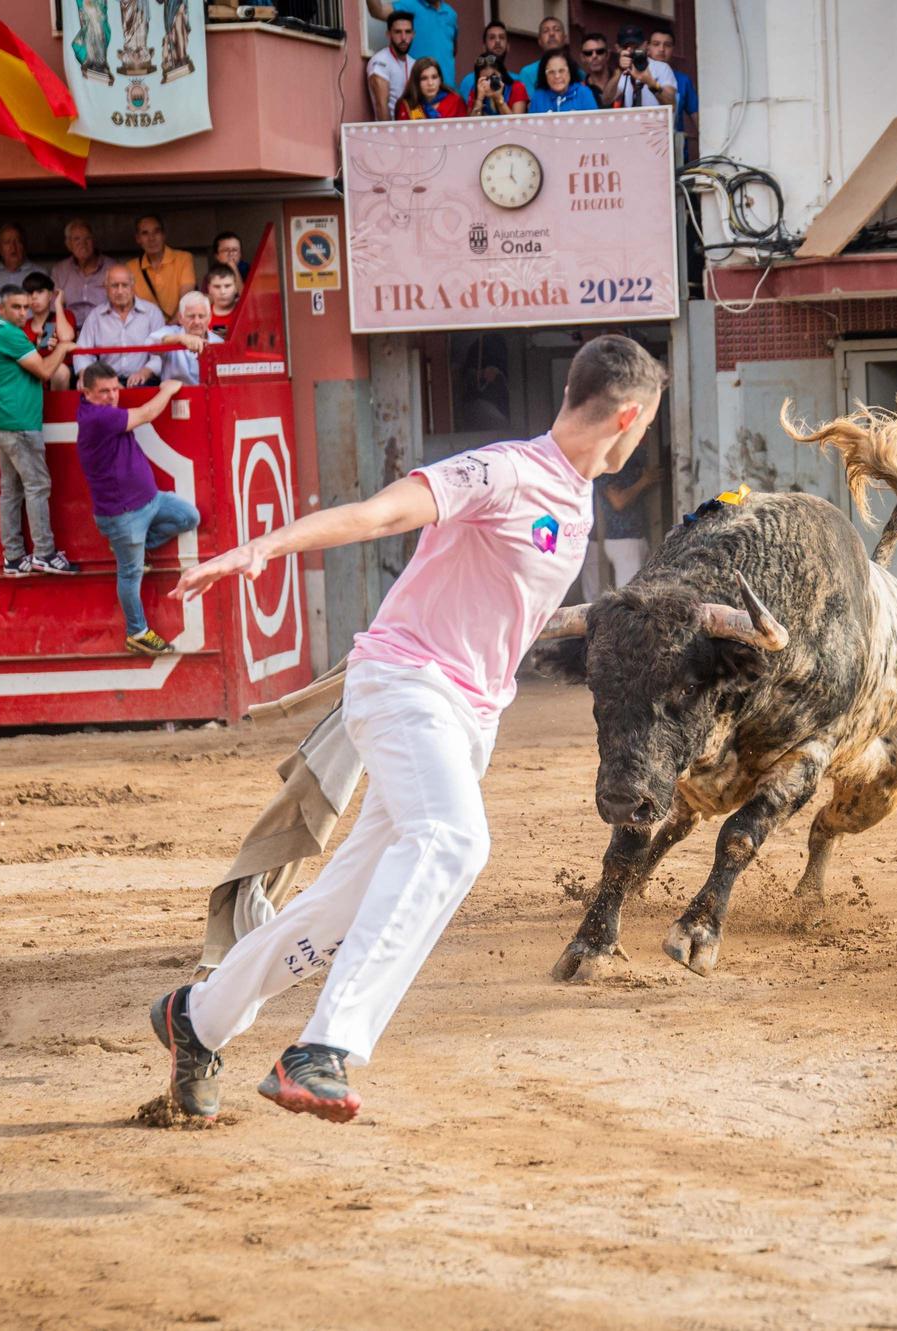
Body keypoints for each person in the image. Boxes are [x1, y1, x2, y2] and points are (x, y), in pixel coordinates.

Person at [144, 333, 666, 1123]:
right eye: (646, 424)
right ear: (629, 416)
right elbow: (380, 512)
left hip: (466, 718)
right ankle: (323, 1046)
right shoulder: (506, 470)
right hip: (406, 686)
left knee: (344, 906)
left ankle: (198, 1017)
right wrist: (265, 546)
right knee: (453, 840)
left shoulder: (575, 499)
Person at [74, 365, 201, 656]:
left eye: (115, 389)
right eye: (104, 391)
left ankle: (139, 547)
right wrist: (168, 389)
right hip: (124, 514)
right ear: (87, 393)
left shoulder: (102, 412)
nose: (112, 396)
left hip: (150, 500)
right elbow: (147, 413)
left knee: (189, 517)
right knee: (130, 575)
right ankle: (137, 633)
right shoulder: (97, 417)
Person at [0, 284, 79, 577]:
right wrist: (62, 348)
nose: (23, 312)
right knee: (37, 486)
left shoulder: (0, 332)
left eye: (26, 307)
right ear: (0, 308)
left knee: (11, 491)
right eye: (16, 307)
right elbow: (45, 371)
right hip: (19, 422)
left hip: (5, 420)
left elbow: (30, 365)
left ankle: (13, 557)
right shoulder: (11, 334)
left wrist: (44, 349)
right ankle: (44, 553)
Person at [75, 265, 166, 386]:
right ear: (106, 287)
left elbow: (161, 353)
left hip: (143, 381)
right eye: (114, 286)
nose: (120, 291)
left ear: (133, 286)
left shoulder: (152, 313)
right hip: (105, 382)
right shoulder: (95, 316)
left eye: (125, 285)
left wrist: (145, 372)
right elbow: (82, 353)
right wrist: (85, 375)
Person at [599, 441, 658, 588]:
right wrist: (644, 481)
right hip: (623, 541)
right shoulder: (608, 467)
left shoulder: (632, 461)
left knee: (638, 590)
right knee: (629, 592)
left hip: (635, 539)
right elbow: (618, 501)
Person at [365, 0, 458, 91]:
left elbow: (452, 50)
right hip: (419, 90)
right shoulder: (409, 5)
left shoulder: (451, 14)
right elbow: (378, 11)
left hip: (448, 89)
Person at [131, 214, 196, 322]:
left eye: (156, 232)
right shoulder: (130, 267)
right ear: (138, 239)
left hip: (178, 326)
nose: (151, 238)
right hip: (145, 328)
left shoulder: (183, 258)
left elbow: (186, 298)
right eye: (145, 233)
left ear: (164, 235)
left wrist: (170, 327)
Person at [52, 219, 115, 331]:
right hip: (69, 332)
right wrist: (47, 340)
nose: (83, 244)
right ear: (68, 245)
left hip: (104, 331)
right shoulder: (60, 270)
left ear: (94, 241)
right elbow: (52, 310)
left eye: (87, 238)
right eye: (76, 239)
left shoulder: (112, 267)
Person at [157, 290, 222, 385]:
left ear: (209, 318)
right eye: (191, 316)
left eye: (201, 316)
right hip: (176, 393)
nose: (196, 322)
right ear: (180, 318)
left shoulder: (219, 342)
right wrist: (180, 339)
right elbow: (149, 343)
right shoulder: (171, 332)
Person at [23, 271, 75, 389]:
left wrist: (58, 305)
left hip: (61, 374)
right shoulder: (23, 326)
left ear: (51, 295)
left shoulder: (65, 316)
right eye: (30, 293)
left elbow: (66, 338)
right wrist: (37, 346)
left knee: (60, 371)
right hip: (34, 375)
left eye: (40, 291)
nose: (34, 297)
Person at [648, 26, 699, 136]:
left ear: (673, 49)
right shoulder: (638, 75)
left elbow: (697, 119)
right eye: (656, 44)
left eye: (667, 45)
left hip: (674, 142)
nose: (662, 49)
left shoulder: (683, 80)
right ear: (648, 48)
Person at [610, 24, 676, 109]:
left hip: (656, 117)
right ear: (618, 48)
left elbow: (672, 105)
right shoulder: (620, 71)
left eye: (636, 46)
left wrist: (650, 82)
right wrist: (619, 71)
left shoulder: (662, 68)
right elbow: (606, 101)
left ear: (645, 45)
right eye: (626, 47)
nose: (631, 50)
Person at [366, 9, 414, 121]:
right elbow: (381, 105)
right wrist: (390, 131)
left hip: (412, 127)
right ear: (388, 34)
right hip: (392, 129)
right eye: (398, 32)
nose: (403, 38)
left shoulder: (414, 63)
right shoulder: (380, 61)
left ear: (413, 34)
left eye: (407, 32)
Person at [0, 222, 47, 291]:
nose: (13, 247)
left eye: (18, 241)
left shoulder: (40, 273)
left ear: (24, 245)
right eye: (7, 242)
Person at [394, 56, 466, 119]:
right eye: (424, 78)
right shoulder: (406, 106)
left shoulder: (455, 101)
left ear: (440, 80)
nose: (430, 83)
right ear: (416, 82)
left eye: (434, 77)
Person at [529, 51, 597, 113]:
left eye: (561, 71)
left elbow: (594, 121)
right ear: (544, 75)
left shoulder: (583, 93)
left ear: (570, 71)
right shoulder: (538, 97)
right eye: (551, 72)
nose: (557, 76)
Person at [515, 15, 566, 88]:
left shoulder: (576, 72)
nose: (551, 34)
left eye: (557, 30)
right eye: (545, 31)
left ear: (564, 38)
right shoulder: (528, 73)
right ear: (539, 41)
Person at [578, 32, 616, 109]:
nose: (594, 56)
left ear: (608, 55)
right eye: (588, 53)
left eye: (600, 52)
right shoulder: (579, 89)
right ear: (582, 57)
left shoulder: (622, 81)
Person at [203, 264, 241, 338]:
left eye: (227, 286)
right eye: (217, 287)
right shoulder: (201, 315)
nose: (222, 292)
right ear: (209, 288)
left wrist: (234, 335)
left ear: (236, 288)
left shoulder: (245, 313)